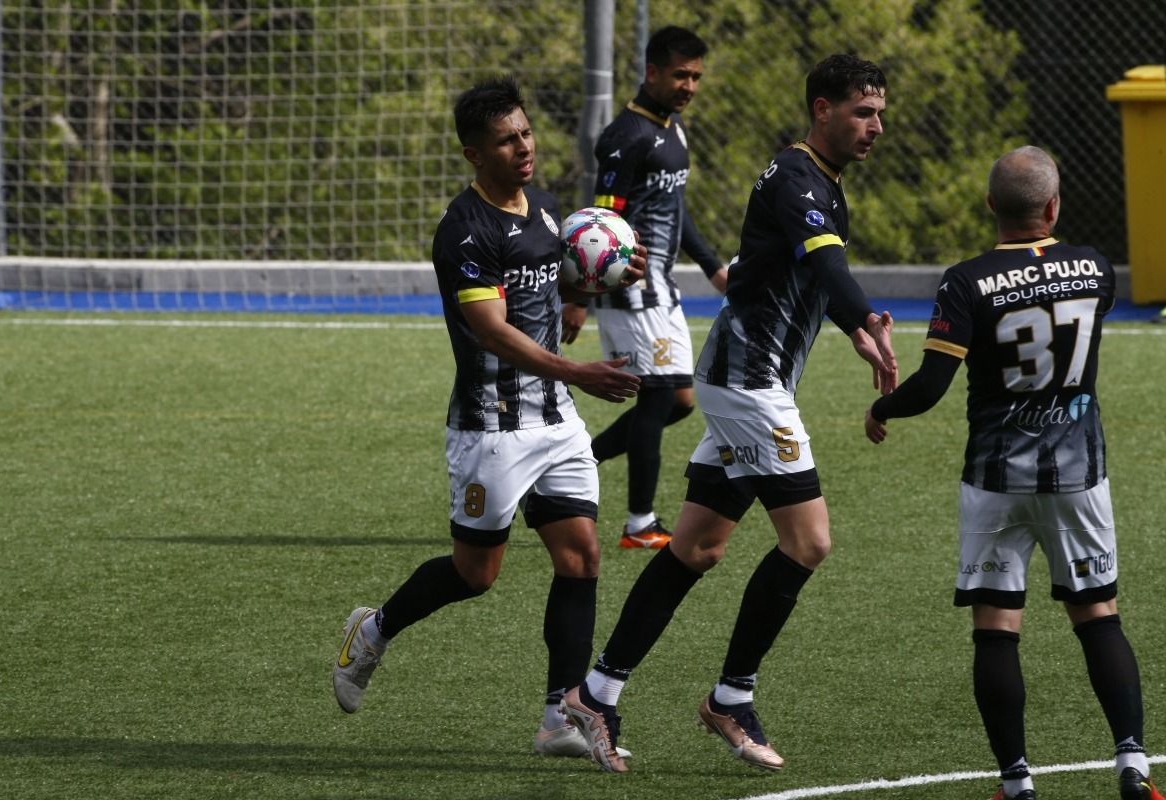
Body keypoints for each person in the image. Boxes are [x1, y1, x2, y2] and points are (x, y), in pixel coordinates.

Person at [560, 54, 897, 773]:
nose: (876, 127)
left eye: (880, 114)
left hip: (746, 379)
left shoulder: (823, 183)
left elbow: (807, 273)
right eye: (863, 112)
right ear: (821, 109)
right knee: (808, 542)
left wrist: (855, 328)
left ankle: (596, 691)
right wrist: (865, 314)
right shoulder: (797, 176)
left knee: (698, 547)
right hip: (748, 385)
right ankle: (731, 697)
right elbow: (828, 265)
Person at [331, 76, 646, 761]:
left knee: (582, 556)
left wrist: (609, 270)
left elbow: (551, 282)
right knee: (477, 574)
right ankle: (375, 629)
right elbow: (493, 330)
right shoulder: (463, 231)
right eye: (508, 140)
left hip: (554, 419)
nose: (524, 147)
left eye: (527, 133)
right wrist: (582, 371)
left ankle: (558, 715)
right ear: (476, 154)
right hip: (490, 426)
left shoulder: (547, 209)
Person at [864, 146, 1162, 800]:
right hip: (1079, 475)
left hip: (995, 479)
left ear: (989, 206)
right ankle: (1133, 764)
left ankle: (1016, 781)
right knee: (1097, 613)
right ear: (1054, 206)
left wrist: (882, 407)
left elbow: (931, 386)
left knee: (997, 624)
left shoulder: (965, 280)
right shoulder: (1097, 272)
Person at [562, 26, 727, 550]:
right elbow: (600, 223)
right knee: (658, 399)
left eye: (697, 76)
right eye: (681, 74)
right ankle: (640, 523)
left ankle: (576, 462)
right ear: (652, 72)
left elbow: (676, 208)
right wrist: (578, 298)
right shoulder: (625, 137)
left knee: (679, 400)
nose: (690, 86)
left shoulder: (673, 130)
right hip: (631, 287)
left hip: (662, 287)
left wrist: (712, 266)